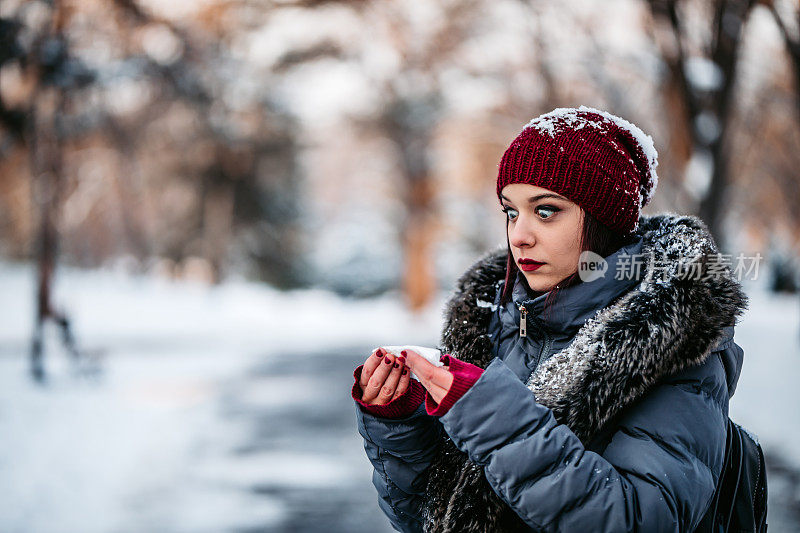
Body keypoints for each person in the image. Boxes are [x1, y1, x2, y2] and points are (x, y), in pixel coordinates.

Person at [350, 106, 749, 532]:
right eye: (510, 212)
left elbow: (636, 520)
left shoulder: (669, 343)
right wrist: (401, 424)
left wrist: (492, 415)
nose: (519, 234)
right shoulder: (491, 325)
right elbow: (435, 520)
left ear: (603, 219)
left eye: (545, 211)